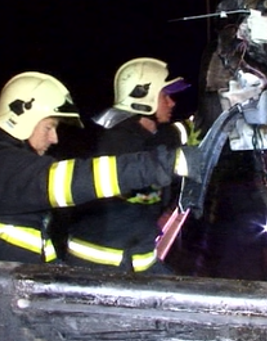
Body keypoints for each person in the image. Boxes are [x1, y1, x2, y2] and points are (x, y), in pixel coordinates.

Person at [0, 71, 196, 264]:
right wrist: (168, 162)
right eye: (49, 127)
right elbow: (79, 179)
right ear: (22, 118)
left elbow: (29, 248)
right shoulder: (4, 168)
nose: (54, 138)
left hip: (5, 292)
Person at [65, 58, 193, 274]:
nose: (171, 103)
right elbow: (157, 153)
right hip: (104, 266)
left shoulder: (146, 137)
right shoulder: (118, 143)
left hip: (135, 260)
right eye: (165, 96)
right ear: (143, 97)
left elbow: (175, 135)